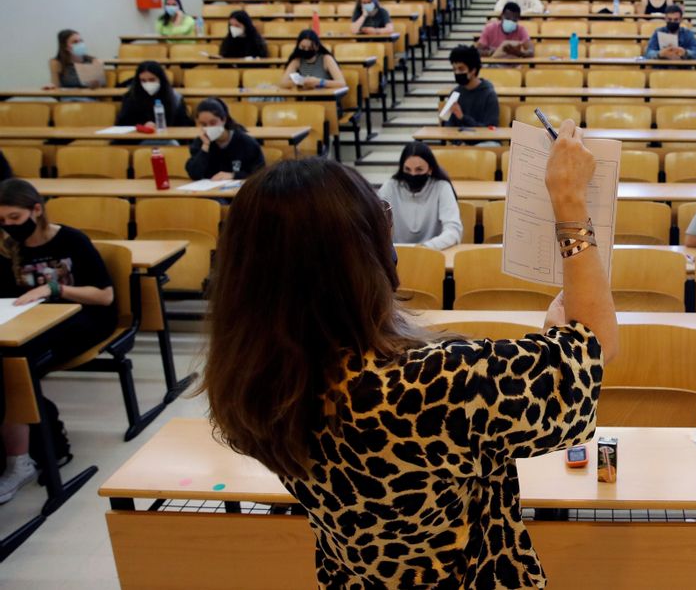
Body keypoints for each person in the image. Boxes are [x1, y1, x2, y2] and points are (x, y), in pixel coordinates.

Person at [201, 120, 617, 588]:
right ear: (356, 259)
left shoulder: (256, 380)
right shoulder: (430, 384)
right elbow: (592, 351)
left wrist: (547, 350)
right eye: (380, 215)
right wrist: (569, 200)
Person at [0, 179, 115, 504]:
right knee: (11, 362)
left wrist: (55, 289)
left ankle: (42, 447)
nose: (8, 226)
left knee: (17, 368)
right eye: (2, 221)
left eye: (14, 218)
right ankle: (25, 447)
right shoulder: (7, 247)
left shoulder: (71, 240)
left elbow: (104, 296)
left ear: (36, 210)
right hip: (27, 323)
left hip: (81, 319)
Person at [378, 142, 463, 249]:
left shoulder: (442, 187)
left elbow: (453, 231)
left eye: (419, 169)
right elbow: (373, 225)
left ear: (430, 169)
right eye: (407, 169)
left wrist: (424, 248)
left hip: (434, 253)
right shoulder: (390, 186)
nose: (413, 174)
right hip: (396, 257)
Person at [186, 98, 265, 180]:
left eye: (213, 123)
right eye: (203, 124)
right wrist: (205, 146)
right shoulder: (200, 142)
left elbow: (259, 173)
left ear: (223, 120)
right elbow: (194, 174)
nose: (208, 127)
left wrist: (233, 175)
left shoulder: (246, 142)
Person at [116, 61, 191, 128]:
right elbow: (122, 125)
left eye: (152, 80)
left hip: (168, 139)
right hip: (138, 140)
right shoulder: (130, 97)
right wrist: (142, 125)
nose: (148, 83)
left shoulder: (175, 98)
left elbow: (183, 125)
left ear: (160, 79)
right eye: (143, 81)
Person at [444, 45, 499, 128]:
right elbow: (447, 125)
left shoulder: (489, 95)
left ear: (473, 70)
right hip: (460, 139)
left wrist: (463, 118)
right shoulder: (454, 93)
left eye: (461, 69)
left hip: (485, 140)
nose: (457, 73)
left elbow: (490, 128)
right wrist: (457, 141)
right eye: (454, 69)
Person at [280, 30, 347, 90]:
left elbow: (341, 83)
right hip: (306, 100)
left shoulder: (326, 59)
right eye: (303, 47)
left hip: (326, 98)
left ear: (317, 47)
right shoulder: (297, 60)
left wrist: (319, 82)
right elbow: (283, 83)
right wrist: (302, 82)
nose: (306, 50)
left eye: (310, 48)